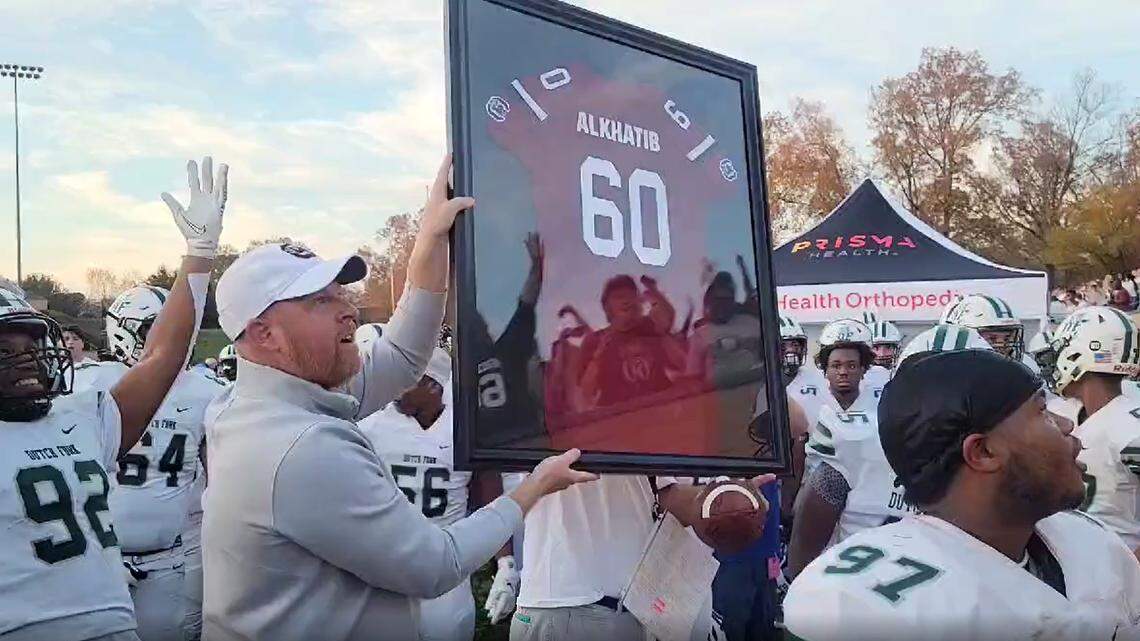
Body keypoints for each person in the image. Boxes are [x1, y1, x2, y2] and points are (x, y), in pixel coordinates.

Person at [201, 155, 598, 641]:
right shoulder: (301, 444)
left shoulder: (262, 405)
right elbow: (435, 565)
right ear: (264, 333)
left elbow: (405, 353)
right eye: (320, 301)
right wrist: (532, 487)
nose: (348, 310)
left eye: (338, 294)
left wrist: (429, 239)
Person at [0, 156, 228, 641]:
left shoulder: (82, 417)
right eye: (5, 349)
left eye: (31, 345)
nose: (26, 361)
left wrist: (199, 254)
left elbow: (160, 359)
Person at [784, 349, 1140, 639]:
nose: (1067, 424)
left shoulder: (1089, 540)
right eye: (1043, 412)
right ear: (983, 453)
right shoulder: (858, 603)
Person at [787, 324, 993, 579]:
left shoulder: (1015, 448)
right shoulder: (855, 436)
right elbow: (811, 519)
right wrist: (798, 580)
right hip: (867, 588)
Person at [358, 346, 520, 641]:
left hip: (448, 563)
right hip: (389, 568)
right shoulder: (371, 425)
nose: (396, 389)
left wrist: (505, 564)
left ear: (433, 385)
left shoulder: (466, 426)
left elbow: (491, 496)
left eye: (406, 381)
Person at [102, 284, 228, 641]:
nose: (174, 343)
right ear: (123, 329)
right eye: (155, 330)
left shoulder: (206, 392)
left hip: (168, 556)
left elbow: (217, 476)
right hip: (99, 559)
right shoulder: (89, 384)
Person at [1050, 306, 1140, 556]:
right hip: (1073, 559)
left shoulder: (1129, 429)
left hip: (1118, 568)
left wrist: (1130, 569)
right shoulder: (1061, 411)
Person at [942, 294, 1034, 370]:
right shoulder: (945, 368)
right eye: (992, 338)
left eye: (1007, 338)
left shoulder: (1026, 367)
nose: (1002, 346)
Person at [814, 319, 879, 415]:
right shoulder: (812, 402)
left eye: (852, 366)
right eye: (836, 366)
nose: (843, 372)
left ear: (863, 369)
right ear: (825, 368)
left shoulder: (878, 402)